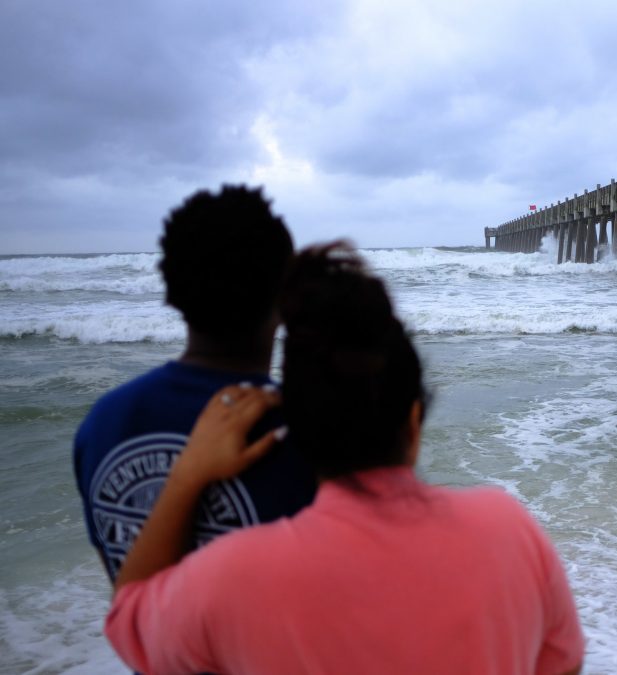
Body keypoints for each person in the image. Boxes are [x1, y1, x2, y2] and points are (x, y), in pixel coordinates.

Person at [104, 243, 586, 675]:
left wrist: (188, 474)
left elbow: (130, 619)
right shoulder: (509, 529)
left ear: (297, 428)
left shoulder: (231, 578)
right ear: (413, 422)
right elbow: (563, 663)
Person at [73, 185, 317, 583]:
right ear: (286, 299)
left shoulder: (103, 423)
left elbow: (127, 588)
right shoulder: (309, 437)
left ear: (171, 292)